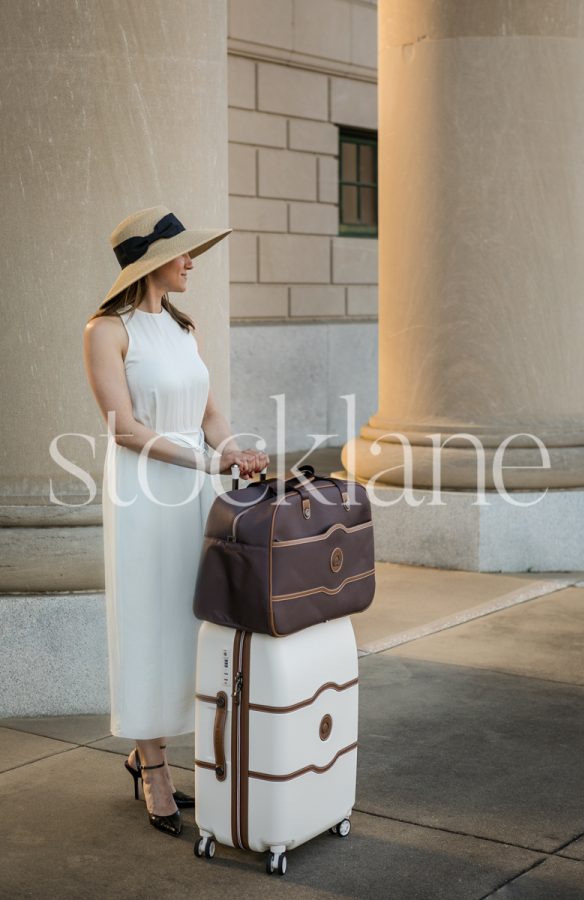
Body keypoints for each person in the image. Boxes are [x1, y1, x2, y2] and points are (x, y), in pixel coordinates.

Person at [83, 205, 269, 837]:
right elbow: (124, 427)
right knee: (148, 619)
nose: (193, 260)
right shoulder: (106, 330)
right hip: (145, 492)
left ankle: (152, 750)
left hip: (195, 487)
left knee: (188, 618)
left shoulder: (185, 328)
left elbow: (211, 415)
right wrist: (202, 460)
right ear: (152, 262)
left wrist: (235, 452)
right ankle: (154, 766)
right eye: (184, 251)